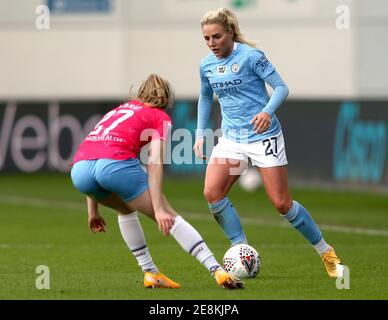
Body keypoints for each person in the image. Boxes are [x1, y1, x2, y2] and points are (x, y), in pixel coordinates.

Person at [193, 8, 344, 278]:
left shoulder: (252, 57)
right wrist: (201, 133)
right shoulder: (206, 65)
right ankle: (241, 249)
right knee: (212, 193)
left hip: (264, 136)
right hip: (231, 138)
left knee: (282, 203)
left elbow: (282, 88)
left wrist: (266, 111)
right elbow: (205, 98)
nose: (212, 43)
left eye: (216, 36)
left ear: (230, 33)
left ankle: (325, 251)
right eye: (206, 38)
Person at [70, 74, 244, 289]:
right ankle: (217, 271)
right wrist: (159, 208)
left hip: (80, 171)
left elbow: (95, 151)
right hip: (114, 166)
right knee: (170, 218)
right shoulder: (159, 117)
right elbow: (154, 162)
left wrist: (93, 211)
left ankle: (150, 273)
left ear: (140, 92)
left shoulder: (120, 109)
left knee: (125, 210)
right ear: (167, 99)